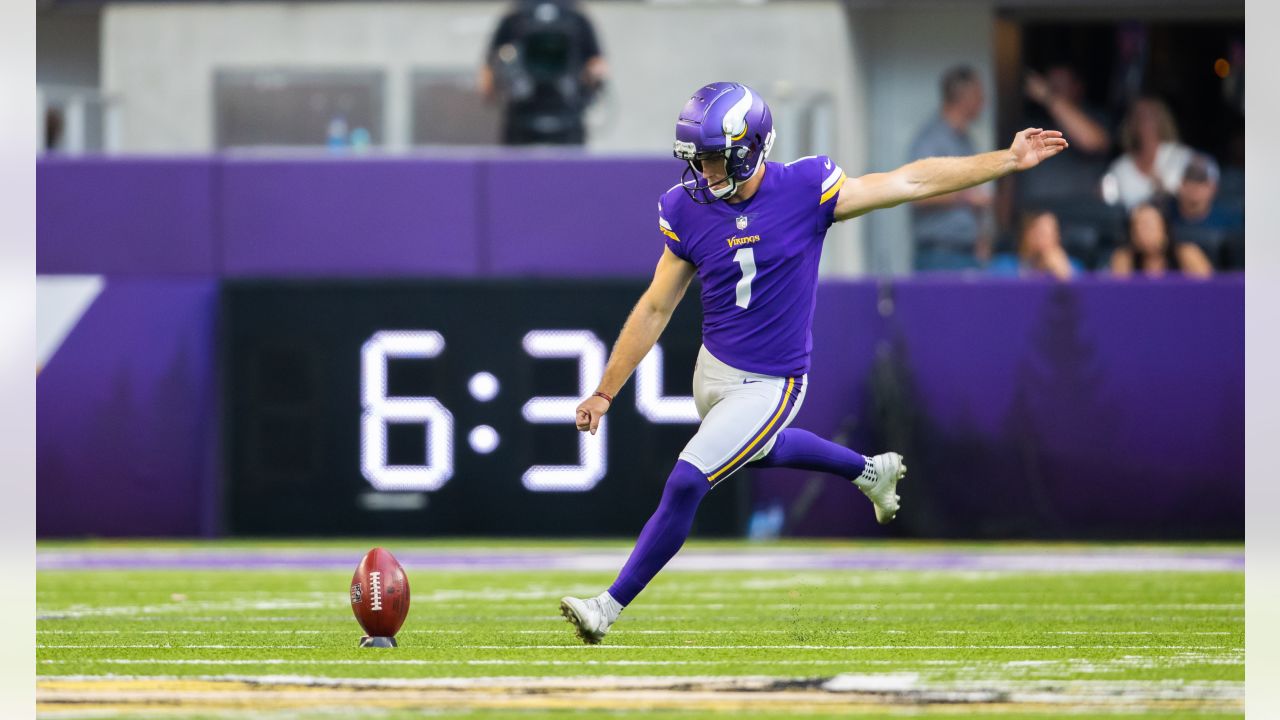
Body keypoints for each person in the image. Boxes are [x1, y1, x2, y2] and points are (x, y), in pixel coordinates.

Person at [559, 82, 1069, 644]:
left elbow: (909, 180)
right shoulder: (688, 209)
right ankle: (870, 471)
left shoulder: (805, 187)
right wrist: (605, 390)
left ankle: (607, 606)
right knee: (756, 450)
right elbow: (657, 306)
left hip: (772, 382)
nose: (702, 172)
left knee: (687, 482)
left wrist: (1007, 159)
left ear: (748, 148)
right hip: (714, 371)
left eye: (711, 158)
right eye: (696, 159)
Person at [478, 0, 607, 145]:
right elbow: (597, 64)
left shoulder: (517, 15)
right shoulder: (517, 16)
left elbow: (596, 65)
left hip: (565, 109)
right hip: (524, 111)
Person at [907, 66, 993, 271]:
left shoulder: (967, 141)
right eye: (979, 96)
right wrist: (964, 197)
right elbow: (914, 192)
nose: (983, 103)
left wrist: (981, 238)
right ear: (964, 98)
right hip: (939, 254)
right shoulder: (930, 140)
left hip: (968, 252)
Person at [1102, 97, 1192, 211]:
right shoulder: (1119, 168)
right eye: (1139, 117)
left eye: (1150, 116)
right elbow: (1110, 207)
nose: (1145, 122)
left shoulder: (1183, 157)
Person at [1109, 203, 1212, 278]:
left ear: (1165, 229)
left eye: (1148, 225)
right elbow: (1120, 295)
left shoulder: (1187, 254)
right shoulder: (1124, 257)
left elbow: (1209, 290)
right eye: (1136, 226)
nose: (1141, 232)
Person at [988, 210, 1082, 281]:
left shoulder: (1072, 267)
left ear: (1057, 237)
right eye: (1038, 232)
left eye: (1048, 233)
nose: (1042, 239)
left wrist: (1065, 273)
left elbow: (1083, 298)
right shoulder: (1004, 266)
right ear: (1025, 234)